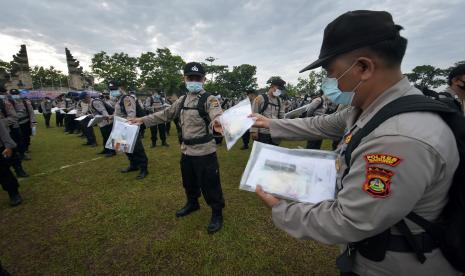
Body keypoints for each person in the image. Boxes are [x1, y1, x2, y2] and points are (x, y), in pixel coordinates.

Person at [250, 10, 460, 275]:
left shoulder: (398, 139)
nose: (327, 81)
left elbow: (348, 220)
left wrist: (281, 209)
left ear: (363, 67)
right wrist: (269, 123)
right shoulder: (372, 107)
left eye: (330, 72)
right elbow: (322, 124)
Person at [129, 62, 225, 234]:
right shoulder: (182, 100)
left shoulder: (210, 99)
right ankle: (192, 203)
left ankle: (217, 213)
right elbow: (166, 114)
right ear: (185, 79)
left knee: (210, 185)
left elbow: (216, 114)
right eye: (190, 78)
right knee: (189, 182)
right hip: (186, 151)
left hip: (205, 152)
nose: (194, 81)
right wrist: (143, 120)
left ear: (203, 80)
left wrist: (218, 121)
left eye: (198, 78)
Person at [110, 81, 148, 179]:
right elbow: (119, 113)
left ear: (121, 88)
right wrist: (111, 117)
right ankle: (133, 165)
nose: (112, 91)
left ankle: (144, 169)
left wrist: (127, 127)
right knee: (125, 148)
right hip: (121, 126)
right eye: (111, 90)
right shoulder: (119, 100)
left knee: (137, 148)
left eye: (114, 89)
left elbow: (131, 114)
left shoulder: (127, 98)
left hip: (129, 127)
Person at [0, 87, 22, 206]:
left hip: (5, 136)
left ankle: (13, 192)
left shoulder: (5, 103)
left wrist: (8, 145)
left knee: (3, 171)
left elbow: (1, 127)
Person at [0, 89, 28, 177]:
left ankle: (18, 169)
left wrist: (1, 123)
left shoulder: (7, 102)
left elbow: (15, 116)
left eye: (2, 93)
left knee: (13, 151)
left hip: (10, 129)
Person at [250, 76, 285, 146]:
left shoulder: (279, 100)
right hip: (262, 133)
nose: (279, 91)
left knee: (273, 154)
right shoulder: (260, 98)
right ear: (272, 86)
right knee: (261, 154)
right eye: (278, 88)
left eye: (280, 89)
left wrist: (282, 130)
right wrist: (254, 131)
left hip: (275, 132)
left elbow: (281, 116)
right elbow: (253, 115)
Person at [9, 89, 36, 159]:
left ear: (19, 94)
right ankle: (21, 152)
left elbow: (31, 112)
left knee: (26, 136)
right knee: (18, 138)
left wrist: (33, 124)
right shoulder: (8, 103)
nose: (15, 96)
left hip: (26, 122)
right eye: (13, 95)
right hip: (15, 124)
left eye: (16, 94)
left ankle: (26, 148)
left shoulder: (25, 102)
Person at [89, 92, 115, 157]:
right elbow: (96, 112)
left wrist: (107, 118)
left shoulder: (95, 102)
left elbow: (103, 110)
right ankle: (106, 149)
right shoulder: (91, 102)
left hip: (106, 121)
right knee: (104, 137)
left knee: (108, 136)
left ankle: (112, 151)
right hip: (102, 121)